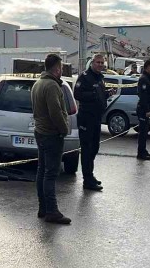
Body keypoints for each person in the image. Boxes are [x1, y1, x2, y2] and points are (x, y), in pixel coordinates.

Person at [31, 54, 72, 224]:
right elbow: (55, 112)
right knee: (50, 174)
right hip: (51, 134)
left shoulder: (38, 83)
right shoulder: (52, 86)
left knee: (42, 170)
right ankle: (52, 211)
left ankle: (43, 207)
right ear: (57, 69)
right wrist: (64, 130)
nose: (61, 70)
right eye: (60, 68)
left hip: (40, 132)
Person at [74, 54, 111, 191]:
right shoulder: (85, 77)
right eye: (98, 62)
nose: (100, 65)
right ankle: (87, 180)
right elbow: (77, 94)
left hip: (96, 118)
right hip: (86, 118)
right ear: (92, 63)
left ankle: (90, 174)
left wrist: (107, 94)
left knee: (95, 148)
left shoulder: (100, 77)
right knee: (87, 149)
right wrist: (93, 95)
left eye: (102, 63)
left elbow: (99, 95)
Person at [136, 60, 150, 160]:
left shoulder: (147, 78)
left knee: (145, 132)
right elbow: (143, 96)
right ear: (147, 68)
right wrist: (147, 110)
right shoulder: (144, 79)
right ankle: (141, 153)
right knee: (143, 133)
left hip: (146, 109)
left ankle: (143, 150)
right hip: (143, 110)